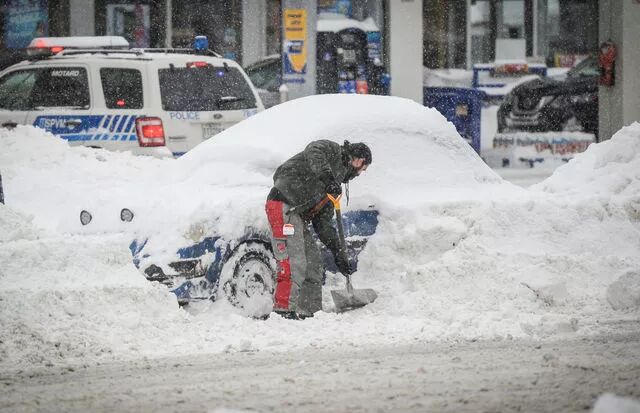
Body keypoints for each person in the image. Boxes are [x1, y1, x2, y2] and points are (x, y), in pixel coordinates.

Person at [265, 140, 372, 319]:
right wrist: (327, 178)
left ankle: (308, 311)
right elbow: (313, 151)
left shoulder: (335, 186)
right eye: (363, 168)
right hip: (283, 205)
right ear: (359, 160)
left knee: (313, 262)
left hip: (298, 216)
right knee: (294, 261)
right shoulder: (333, 151)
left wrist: (338, 251)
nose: (361, 173)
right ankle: (283, 310)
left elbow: (322, 224)